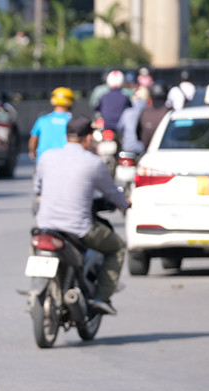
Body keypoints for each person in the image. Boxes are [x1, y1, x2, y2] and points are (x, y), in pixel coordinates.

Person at [33, 116, 131, 316]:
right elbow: (112, 193)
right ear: (88, 138)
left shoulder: (47, 157)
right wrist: (125, 204)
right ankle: (101, 298)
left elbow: (38, 188)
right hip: (78, 229)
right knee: (118, 247)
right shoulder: (93, 162)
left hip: (45, 226)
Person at [29, 86, 74, 162]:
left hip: (43, 160)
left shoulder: (43, 120)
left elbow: (33, 140)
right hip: (65, 161)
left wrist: (32, 152)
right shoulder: (72, 121)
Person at [117, 85, 150, 155]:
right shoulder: (148, 112)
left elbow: (119, 128)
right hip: (143, 149)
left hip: (127, 147)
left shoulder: (127, 112)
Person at [95, 70, 130, 135]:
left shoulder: (104, 96)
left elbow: (96, 108)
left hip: (106, 127)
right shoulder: (125, 97)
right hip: (119, 129)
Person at [138, 84, 170, 149]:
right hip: (165, 150)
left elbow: (138, 133)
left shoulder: (144, 112)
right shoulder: (169, 112)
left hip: (147, 149)